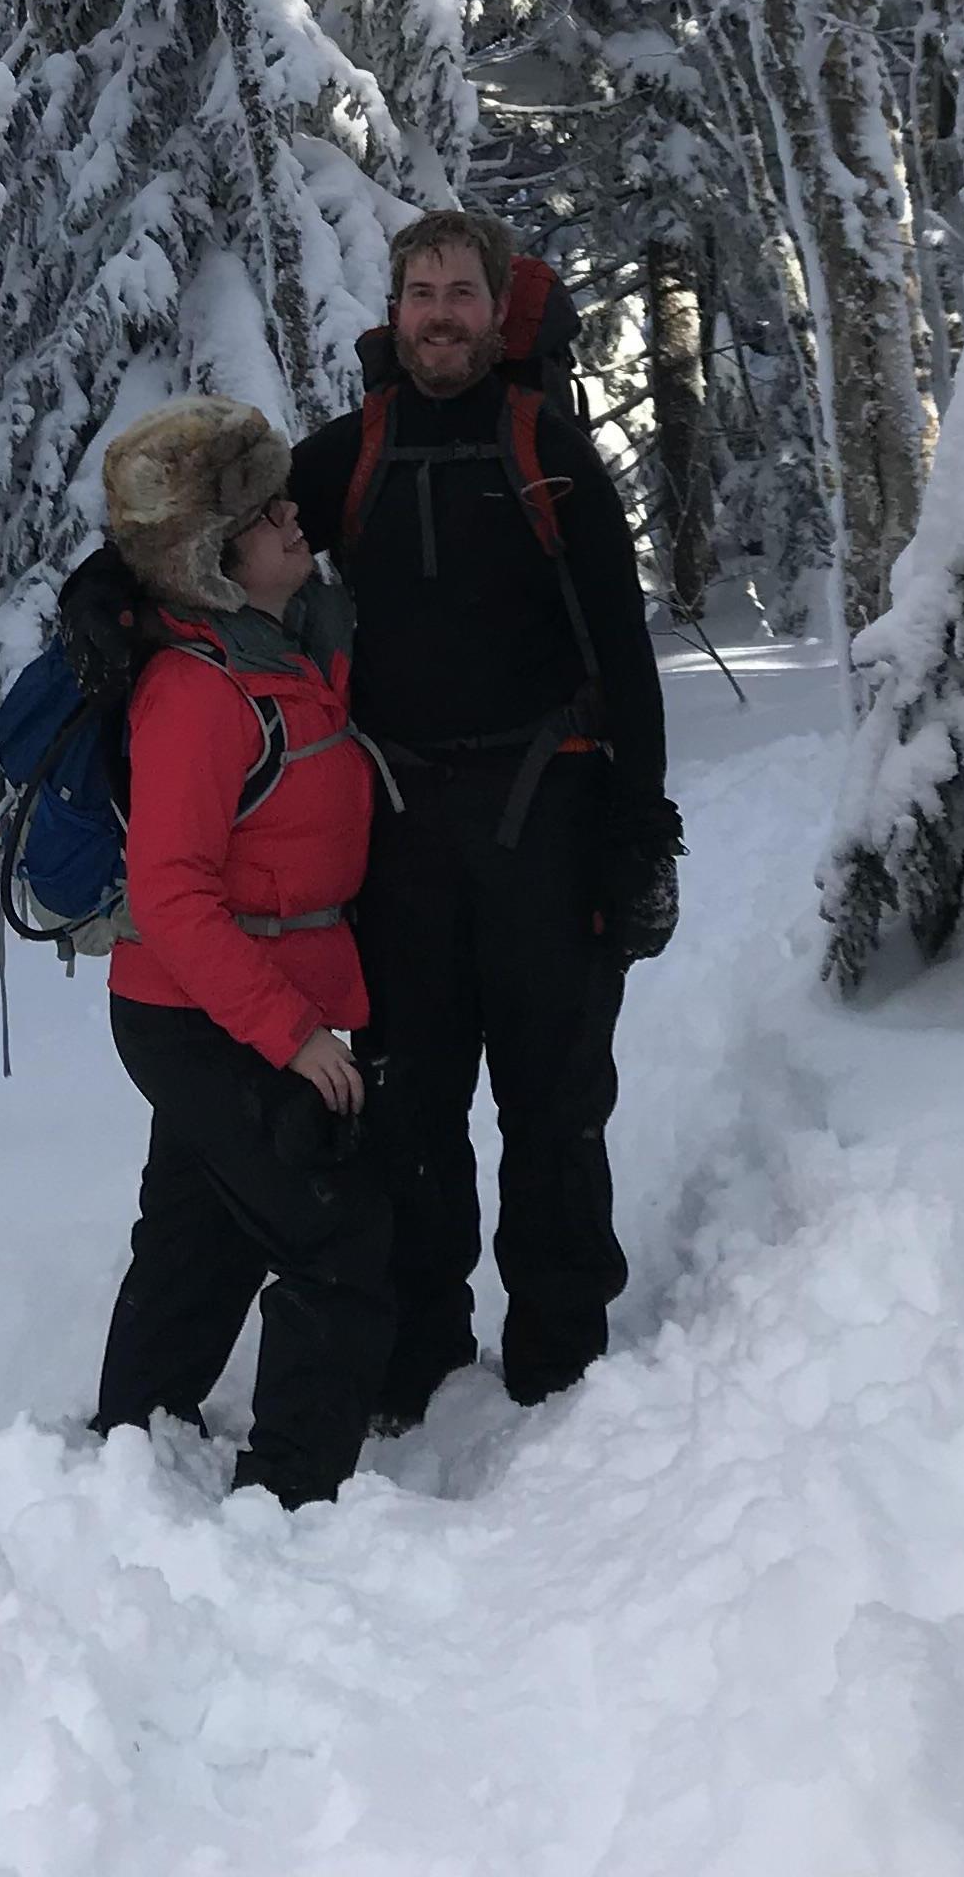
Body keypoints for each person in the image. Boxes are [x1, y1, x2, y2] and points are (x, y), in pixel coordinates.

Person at [289, 212, 680, 1425]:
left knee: (556, 1100)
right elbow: (212, 542)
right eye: (420, 292)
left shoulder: (551, 451)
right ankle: (419, 1347)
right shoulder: (338, 456)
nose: (440, 314)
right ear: (392, 308)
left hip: (546, 821)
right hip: (399, 836)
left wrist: (639, 835)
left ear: (494, 305)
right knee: (411, 1102)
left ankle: (560, 1353)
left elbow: (625, 656)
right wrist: (107, 594)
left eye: (461, 291)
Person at [84, 393, 397, 1509]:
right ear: (215, 558)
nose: (291, 522)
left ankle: (132, 1446)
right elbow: (171, 895)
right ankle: (293, 1506)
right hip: (198, 1013)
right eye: (263, 515)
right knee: (339, 1237)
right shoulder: (198, 691)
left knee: (198, 1238)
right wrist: (293, 1036)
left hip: (238, 1003)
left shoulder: (286, 650)